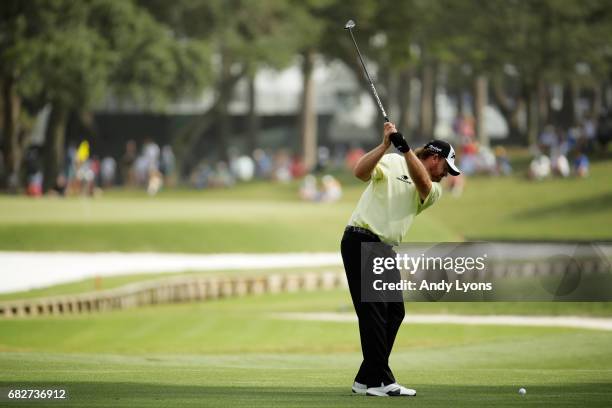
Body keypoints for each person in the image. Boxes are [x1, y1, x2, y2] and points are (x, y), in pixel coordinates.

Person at [342, 122, 460, 397]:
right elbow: (360, 173)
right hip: (362, 239)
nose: (446, 175)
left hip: (383, 249)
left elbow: (422, 183)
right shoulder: (392, 161)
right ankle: (380, 381)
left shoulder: (432, 189)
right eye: (446, 168)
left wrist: (406, 149)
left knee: (394, 312)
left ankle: (365, 378)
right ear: (435, 158)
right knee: (373, 313)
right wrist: (385, 145)